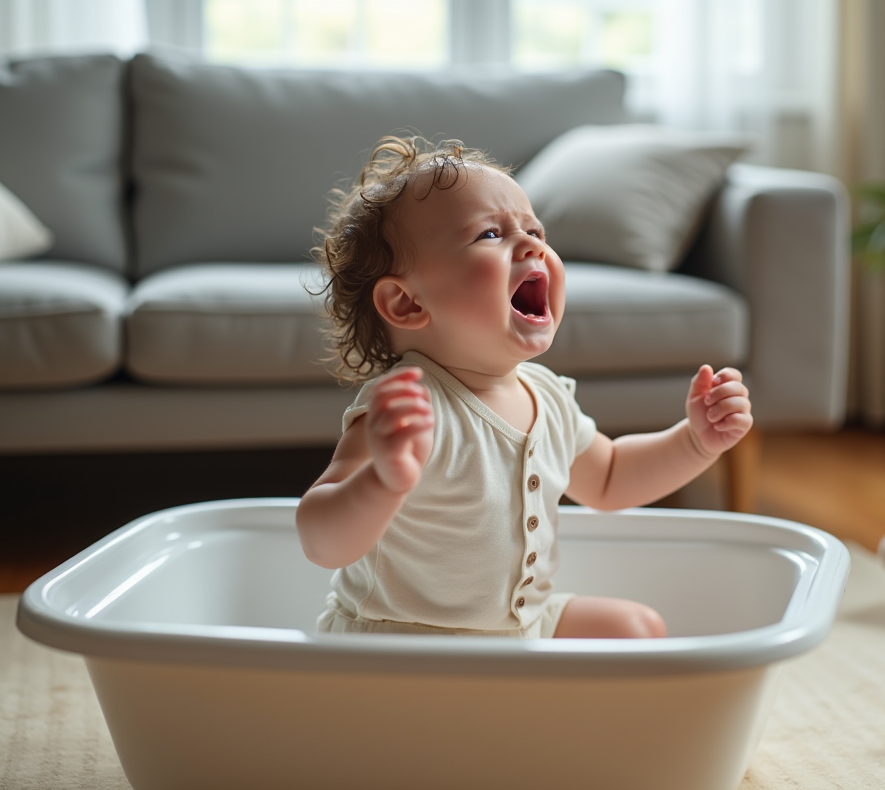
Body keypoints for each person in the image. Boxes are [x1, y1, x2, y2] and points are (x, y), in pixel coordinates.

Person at [297, 135, 752, 639]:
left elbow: (611, 478)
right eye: (490, 234)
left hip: (520, 630)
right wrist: (382, 480)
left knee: (636, 628)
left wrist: (693, 441)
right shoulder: (410, 410)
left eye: (534, 229)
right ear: (407, 304)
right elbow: (323, 543)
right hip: (409, 646)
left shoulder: (548, 395)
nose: (533, 244)